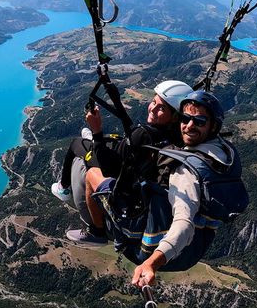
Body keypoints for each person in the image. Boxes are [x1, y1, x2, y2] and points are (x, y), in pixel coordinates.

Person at [84, 90, 246, 287]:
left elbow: (184, 224)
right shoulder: (227, 155)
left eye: (200, 121)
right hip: (193, 252)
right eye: (185, 118)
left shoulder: (186, 171)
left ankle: (97, 232)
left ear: (213, 126)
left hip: (148, 250)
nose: (189, 125)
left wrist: (151, 263)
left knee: (92, 173)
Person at [51, 80, 193, 244]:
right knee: (104, 141)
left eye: (161, 108)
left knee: (77, 144)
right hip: (140, 177)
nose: (153, 109)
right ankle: (91, 141)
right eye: (154, 102)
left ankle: (66, 192)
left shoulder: (143, 135)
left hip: (123, 185)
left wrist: (97, 130)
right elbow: (130, 132)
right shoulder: (179, 136)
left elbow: (108, 168)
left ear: (175, 116)